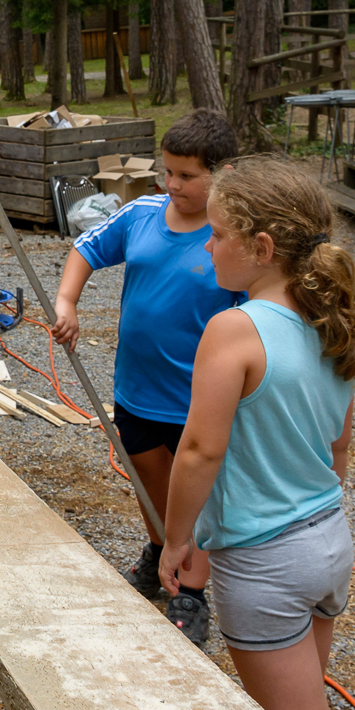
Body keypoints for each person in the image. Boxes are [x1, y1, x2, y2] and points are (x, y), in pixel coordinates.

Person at [158, 158, 355, 710]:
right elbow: (339, 447)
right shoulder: (332, 321)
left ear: (260, 248)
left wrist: (175, 540)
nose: (207, 246)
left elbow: (200, 450)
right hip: (328, 542)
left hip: (266, 563)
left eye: (217, 234)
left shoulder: (234, 329)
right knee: (302, 708)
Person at [52, 109, 241, 644]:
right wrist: (67, 302)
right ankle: (160, 548)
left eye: (187, 176)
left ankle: (192, 594)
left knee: (195, 495)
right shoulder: (141, 214)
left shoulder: (231, 238)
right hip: (137, 390)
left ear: (223, 174)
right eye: (168, 171)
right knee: (148, 479)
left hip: (197, 401)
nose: (172, 184)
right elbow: (85, 249)